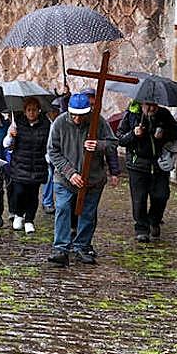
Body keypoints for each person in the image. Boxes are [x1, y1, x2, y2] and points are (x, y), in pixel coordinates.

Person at [46, 92, 120, 266]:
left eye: (81, 115)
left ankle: (82, 246)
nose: (78, 119)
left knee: (88, 213)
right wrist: (70, 173)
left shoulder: (98, 122)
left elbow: (113, 143)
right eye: (74, 115)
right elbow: (53, 151)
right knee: (63, 208)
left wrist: (99, 145)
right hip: (65, 179)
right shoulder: (59, 123)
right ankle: (61, 248)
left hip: (93, 179)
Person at [117, 98, 177, 242]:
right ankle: (141, 228)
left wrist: (164, 134)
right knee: (139, 199)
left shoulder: (164, 114)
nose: (152, 108)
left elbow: (176, 133)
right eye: (148, 105)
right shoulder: (131, 115)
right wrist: (134, 134)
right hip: (137, 164)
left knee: (162, 195)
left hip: (159, 163)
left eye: (155, 105)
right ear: (141, 104)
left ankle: (154, 220)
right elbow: (120, 138)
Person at [4, 97, 51, 234]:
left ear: (38, 111)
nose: (31, 113)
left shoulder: (45, 125)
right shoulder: (17, 124)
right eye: (29, 110)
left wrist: (47, 158)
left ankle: (29, 219)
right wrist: (11, 135)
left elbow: (49, 144)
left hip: (37, 165)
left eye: (34, 110)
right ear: (24, 111)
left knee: (33, 194)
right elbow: (6, 144)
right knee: (19, 192)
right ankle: (19, 215)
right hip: (20, 165)